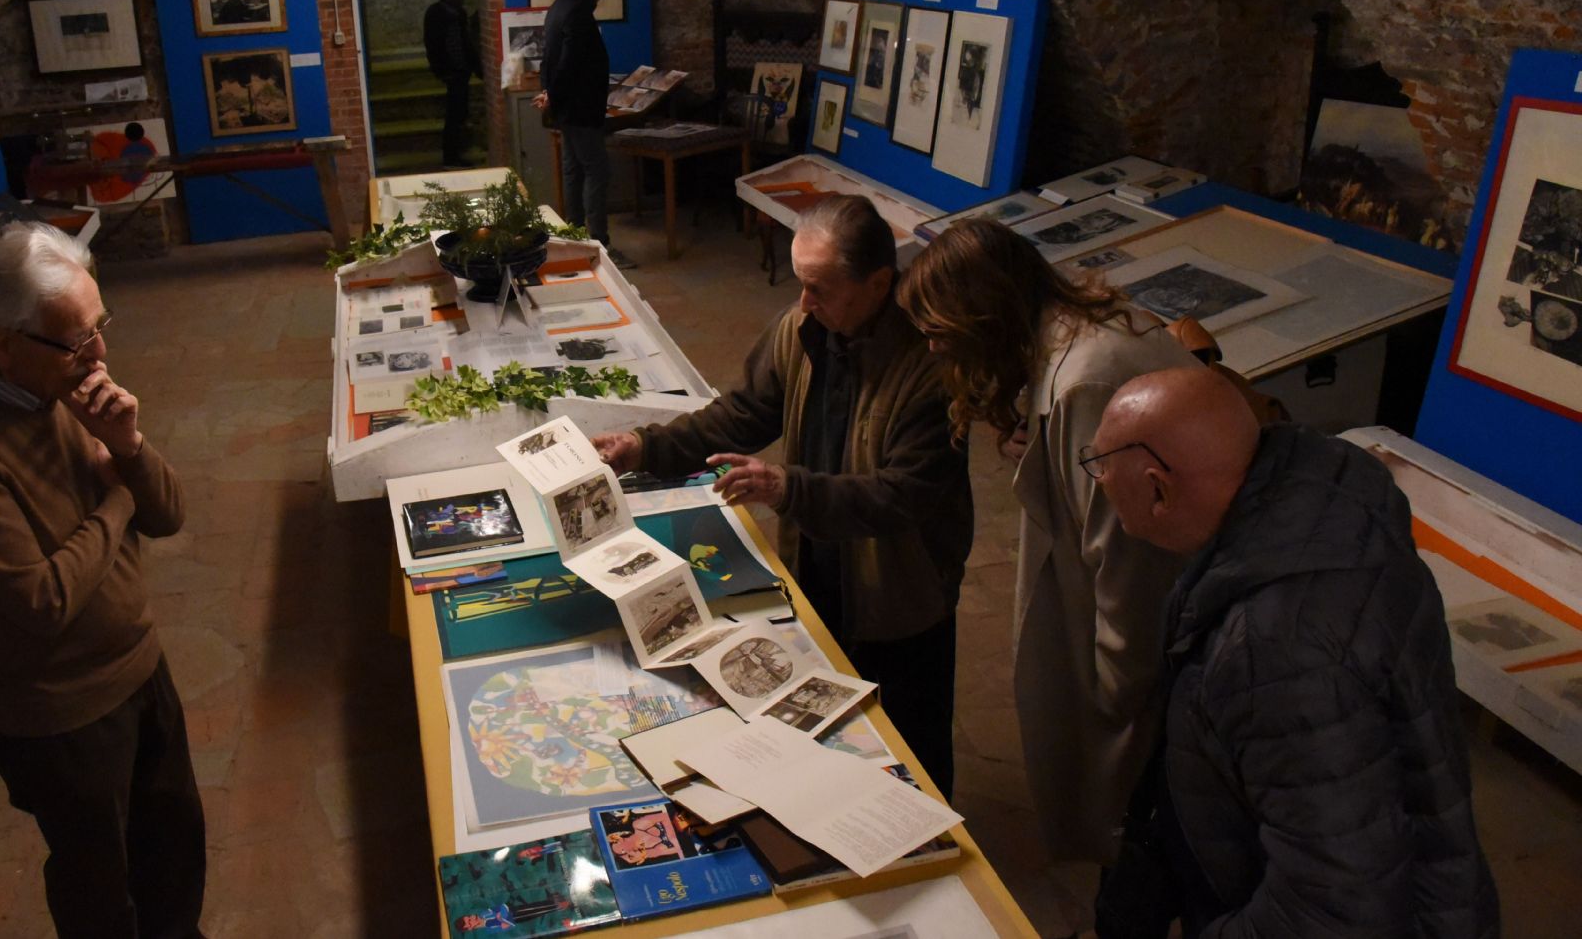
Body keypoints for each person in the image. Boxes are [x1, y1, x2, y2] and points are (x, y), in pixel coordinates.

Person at [1087, 368, 1499, 937]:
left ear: (1158, 489)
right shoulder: (1322, 497)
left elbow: (1332, 907)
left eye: (1101, 467)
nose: (1100, 481)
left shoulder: (1278, 653)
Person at [593, 195, 972, 794]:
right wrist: (644, 447)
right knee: (832, 736)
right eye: (801, 283)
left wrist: (787, 486)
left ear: (878, 283)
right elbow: (741, 415)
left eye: (819, 288)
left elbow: (902, 496)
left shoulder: (931, 367)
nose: (804, 302)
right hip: (819, 560)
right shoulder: (803, 328)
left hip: (899, 595)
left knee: (910, 750)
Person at [0, 223, 205, 939]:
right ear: (3, 344)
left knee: (173, 844)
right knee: (101, 887)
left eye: (100, 326)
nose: (99, 355)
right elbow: (40, 602)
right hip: (62, 714)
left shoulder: (58, 388)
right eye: (77, 340)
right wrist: (117, 499)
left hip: (140, 668)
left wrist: (128, 447)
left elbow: (168, 515)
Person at [897, 217, 1196, 866]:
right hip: (1146, 593)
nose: (933, 349)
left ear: (981, 317)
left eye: (940, 332)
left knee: (1123, 798)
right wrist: (1034, 438)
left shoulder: (1085, 383)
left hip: (1147, 631)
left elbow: (1127, 564)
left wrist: (1112, 691)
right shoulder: (1080, 329)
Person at [535, 0, 634, 269]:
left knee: (574, 169)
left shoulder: (559, 4)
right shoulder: (579, 11)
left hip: (566, 106)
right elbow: (569, 61)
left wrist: (548, 91)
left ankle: (574, 236)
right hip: (580, 106)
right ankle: (599, 243)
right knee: (597, 170)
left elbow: (549, 56)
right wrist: (554, 93)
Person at [423, 0, 480, 169]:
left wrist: (474, 67)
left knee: (459, 114)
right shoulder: (437, 13)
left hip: (460, 69)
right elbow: (434, 45)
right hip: (451, 70)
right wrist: (442, 70)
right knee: (454, 116)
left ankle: (455, 155)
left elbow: (465, 43)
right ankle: (451, 157)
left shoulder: (458, 13)